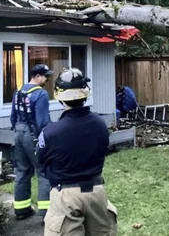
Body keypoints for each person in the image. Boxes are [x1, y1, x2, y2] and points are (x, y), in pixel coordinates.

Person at [36, 67, 118, 236]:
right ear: (85, 94)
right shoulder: (100, 124)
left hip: (65, 196)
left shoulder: (51, 132)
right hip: (96, 193)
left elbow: (41, 162)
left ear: (59, 96)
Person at [10, 64, 53, 221]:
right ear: (37, 77)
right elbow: (43, 121)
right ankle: (46, 213)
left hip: (18, 133)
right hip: (33, 134)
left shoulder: (18, 91)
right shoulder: (40, 94)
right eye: (45, 76)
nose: (47, 79)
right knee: (43, 171)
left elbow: (13, 116)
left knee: (22, 171)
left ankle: (21, 210)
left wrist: (18, 130)